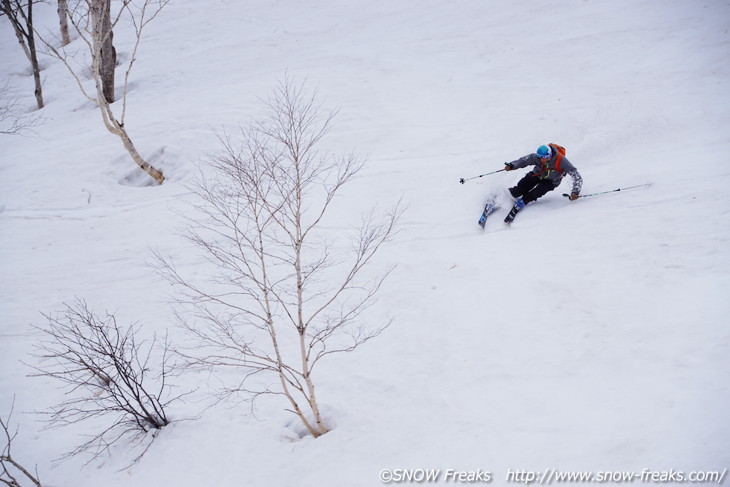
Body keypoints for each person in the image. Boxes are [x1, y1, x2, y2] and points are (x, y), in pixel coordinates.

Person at [503, 143, 583, 222]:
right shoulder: (538, 157)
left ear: (549, 156)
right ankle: (508, 193)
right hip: (537, 174)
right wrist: (512, 165)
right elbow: (525, 160)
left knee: (536, 192)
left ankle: (524, 201)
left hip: (551, 181)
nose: (540, 160)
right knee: (521, 188)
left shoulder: (561, 161)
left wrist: (575, 192)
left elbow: (576, 176)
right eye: (539, 157)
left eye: (543, 158)